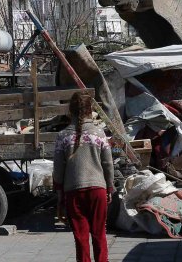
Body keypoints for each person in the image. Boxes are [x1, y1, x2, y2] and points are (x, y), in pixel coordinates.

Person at [53, 92, 113, 262]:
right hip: (98, 190)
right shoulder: (99, 133)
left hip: (73, 192)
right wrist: (109, 187)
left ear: (70, 111)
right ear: (90, 111)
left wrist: (59, 196)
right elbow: (108, 164)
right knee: (99, 234)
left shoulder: (62, 136)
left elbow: (58, 170)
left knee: (81, 239)